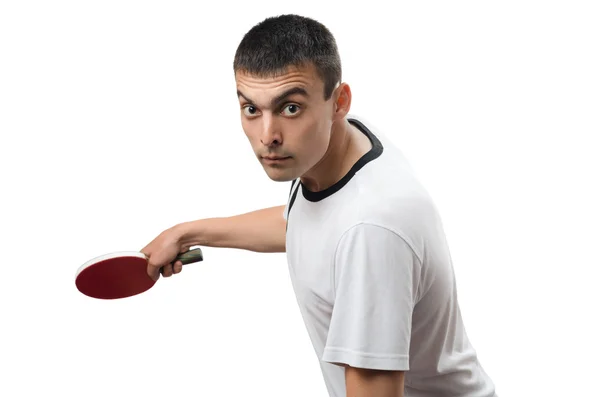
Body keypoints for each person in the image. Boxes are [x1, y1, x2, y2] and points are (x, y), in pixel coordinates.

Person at [141, 14, 498, 397]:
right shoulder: (337, 149)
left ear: (338, 101)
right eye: (251, 109)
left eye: (290, 108)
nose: (268, 136)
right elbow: (309, 221)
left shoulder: (371, 231)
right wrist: (186, 233)